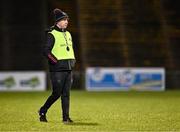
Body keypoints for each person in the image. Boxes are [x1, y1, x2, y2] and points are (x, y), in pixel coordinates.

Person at [38, 8, 76, 123]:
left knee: (66, 95)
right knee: (56, 94)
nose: (66, 22)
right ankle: (43, 110)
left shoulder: (68, 34)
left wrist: (73, 60)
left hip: (69, 68)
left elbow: (70, 49)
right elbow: (46, 51)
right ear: (57, 21)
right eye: (64, 20)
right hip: (57, 70)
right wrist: (55, 61)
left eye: (67, 20)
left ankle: (66, 118)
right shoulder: (51, 34)